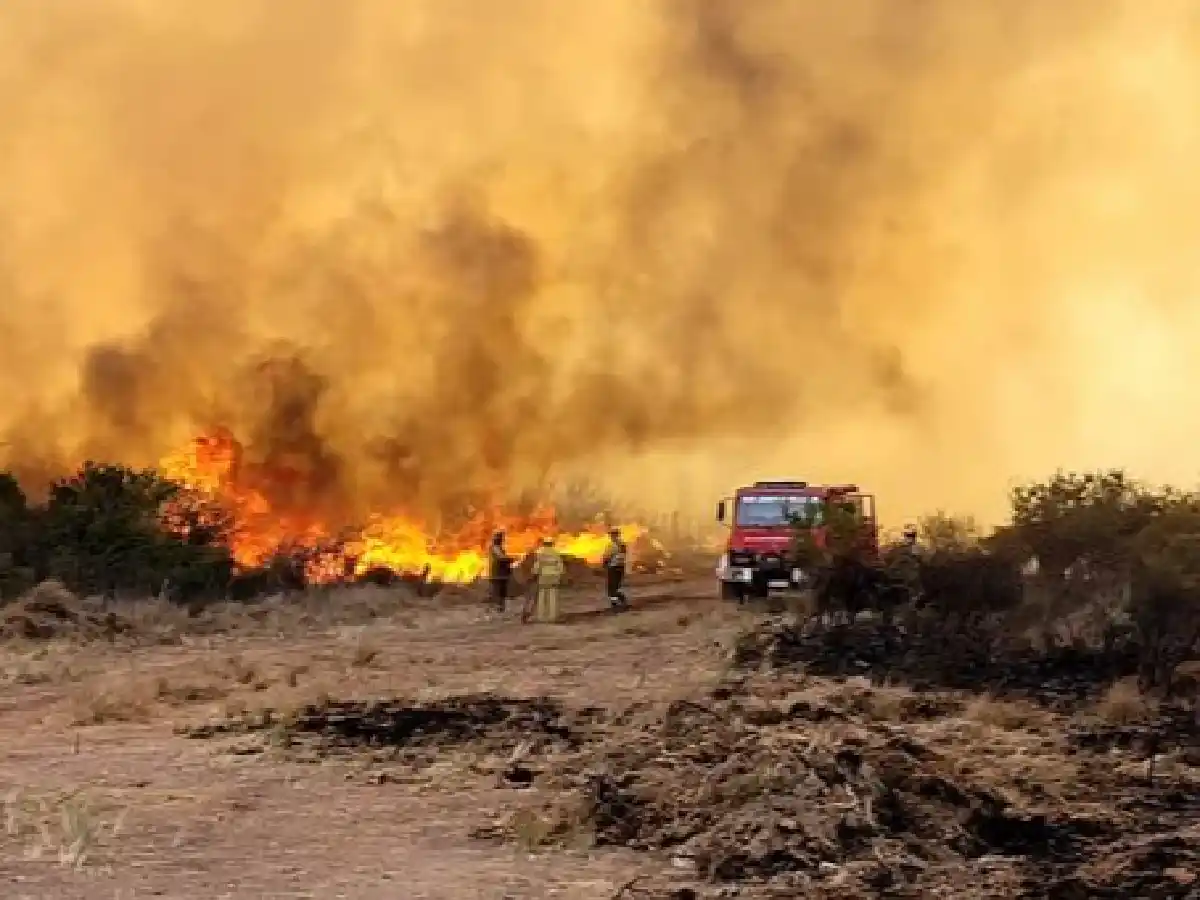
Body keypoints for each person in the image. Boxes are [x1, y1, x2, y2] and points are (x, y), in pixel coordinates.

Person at [530, 536, 565, 623]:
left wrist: (534, 573)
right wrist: (560, 574)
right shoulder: (556, 552)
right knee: (553, 596)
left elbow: (537, 565)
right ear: (551, 543)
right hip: (554, 576)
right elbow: (560, 565)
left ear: (544, 543)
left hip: (543, 576)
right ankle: (553, 616)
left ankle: (541, 616)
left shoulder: (540, 552)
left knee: (542, 596)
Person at [602, 527, 629, 611]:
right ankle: (616, 603)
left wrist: (604, 564)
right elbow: (623, 555)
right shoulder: (623, 544)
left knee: (611, 588)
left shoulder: (611, 545)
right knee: (615, 587)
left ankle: (618, 602)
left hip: (613, 567)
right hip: (620, 568)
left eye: (611, 534)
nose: (610, 536)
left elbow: (607, 557)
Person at [487, 529, 513, 613]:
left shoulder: (499, 548)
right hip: (498, 573)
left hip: (501, 573)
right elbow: (501, 558)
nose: (502, 540)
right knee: (498, 591)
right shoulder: (495, 548)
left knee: (502, 591)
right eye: (500, 538)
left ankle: (501, 607)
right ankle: (498, 607)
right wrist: (510, 559)